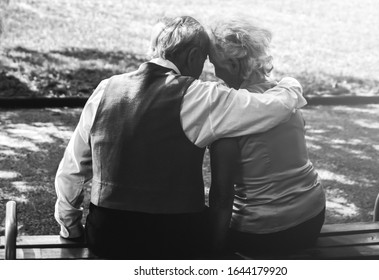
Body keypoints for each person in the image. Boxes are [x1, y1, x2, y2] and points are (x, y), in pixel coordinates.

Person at [54, 15, 306, 259]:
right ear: (193, 56)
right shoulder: (199, 96)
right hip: (177, 241)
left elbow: (72, 170)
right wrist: (292, 86)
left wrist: (72, 227)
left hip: (107, 238)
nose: (207, 70)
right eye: (204, 60)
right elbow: (270, 108)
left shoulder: (105, 89)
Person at [208, 18, 326, 258]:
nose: (214, 71)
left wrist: (214, 251)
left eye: (215, 64)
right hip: (312, 215)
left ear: (232, 64)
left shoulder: (230, 114)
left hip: (264, 231)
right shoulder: (285, 97)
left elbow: (222, 196)